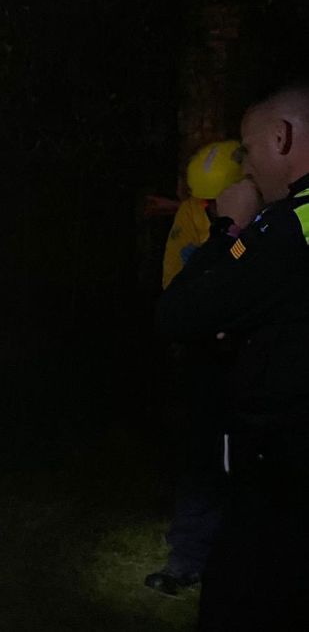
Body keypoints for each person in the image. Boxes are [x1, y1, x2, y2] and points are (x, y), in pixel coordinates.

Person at [157, 80, 309, 630]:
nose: (244, 166)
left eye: (247, 148)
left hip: (281, 477)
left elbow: (180, 313)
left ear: (282, 136)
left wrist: (227, 230)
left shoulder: (284, 229)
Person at [144, 141, 240, 596]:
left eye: (212, 198)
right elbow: (178, 285)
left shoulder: (270, 225)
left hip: (248, 364)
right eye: (201, 199)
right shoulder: (195, 216)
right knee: (200, 458)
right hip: (204, 357)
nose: (206, 206)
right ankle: (188, 556)